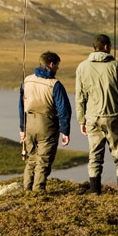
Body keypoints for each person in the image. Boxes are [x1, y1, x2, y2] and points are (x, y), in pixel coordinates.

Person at [75, 34, 118, 195]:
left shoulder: (82, 67)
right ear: (107, 47)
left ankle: (95, 193)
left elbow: (80, 97)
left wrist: (81, 120)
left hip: (92, 118)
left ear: (94, 47)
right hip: (114, 116)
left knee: (94, 156)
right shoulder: (116, 66)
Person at [19, 51, 71, 191]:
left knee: (31, 159)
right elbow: (64, 110)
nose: (57, 69)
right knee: (43, 161)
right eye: (57, 66)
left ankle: (27, 190)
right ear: (51, 64)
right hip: (47, 125)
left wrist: (22, 128)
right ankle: (38, 191)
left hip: (29, 124)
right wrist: (65, 131)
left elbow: (21, 106)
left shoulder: (27, 80)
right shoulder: (55, 84)